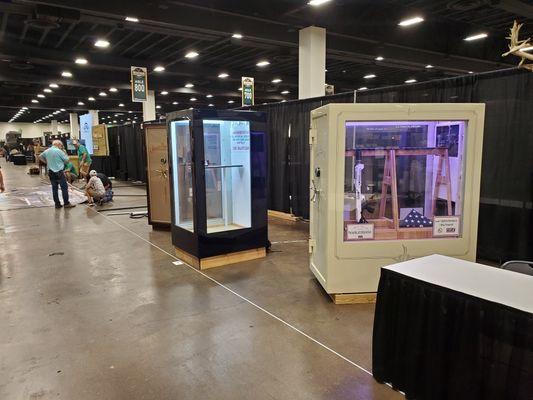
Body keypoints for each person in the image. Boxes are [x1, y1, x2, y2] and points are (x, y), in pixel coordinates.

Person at [39, 140, 75, 209]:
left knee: (54, 188)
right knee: (64, 188)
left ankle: (57, 204)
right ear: (58, 144)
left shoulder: (47, 151)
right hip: (59, 172)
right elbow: (67, 161)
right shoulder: (59, 151)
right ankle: (66, 203)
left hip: (51, 172)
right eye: (61, 146)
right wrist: (65, 153)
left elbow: (40, 157)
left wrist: (47, 162)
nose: (61, 147)